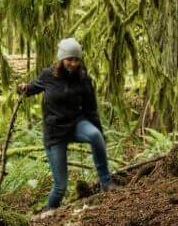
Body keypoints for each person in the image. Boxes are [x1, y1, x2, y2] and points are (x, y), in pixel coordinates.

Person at [18, 37, 112, 210]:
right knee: (60, 187)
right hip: (55, 133)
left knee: (95, 135)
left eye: (76, 59)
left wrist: (100, 133)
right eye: (69, 59)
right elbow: (32, 88)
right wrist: (23, 88)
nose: (73, 63)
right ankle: (46, 215)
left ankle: (106, 183)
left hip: (76, 125)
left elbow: (91, 109)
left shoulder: (84, 79)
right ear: (62, 59)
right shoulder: (48, 75)